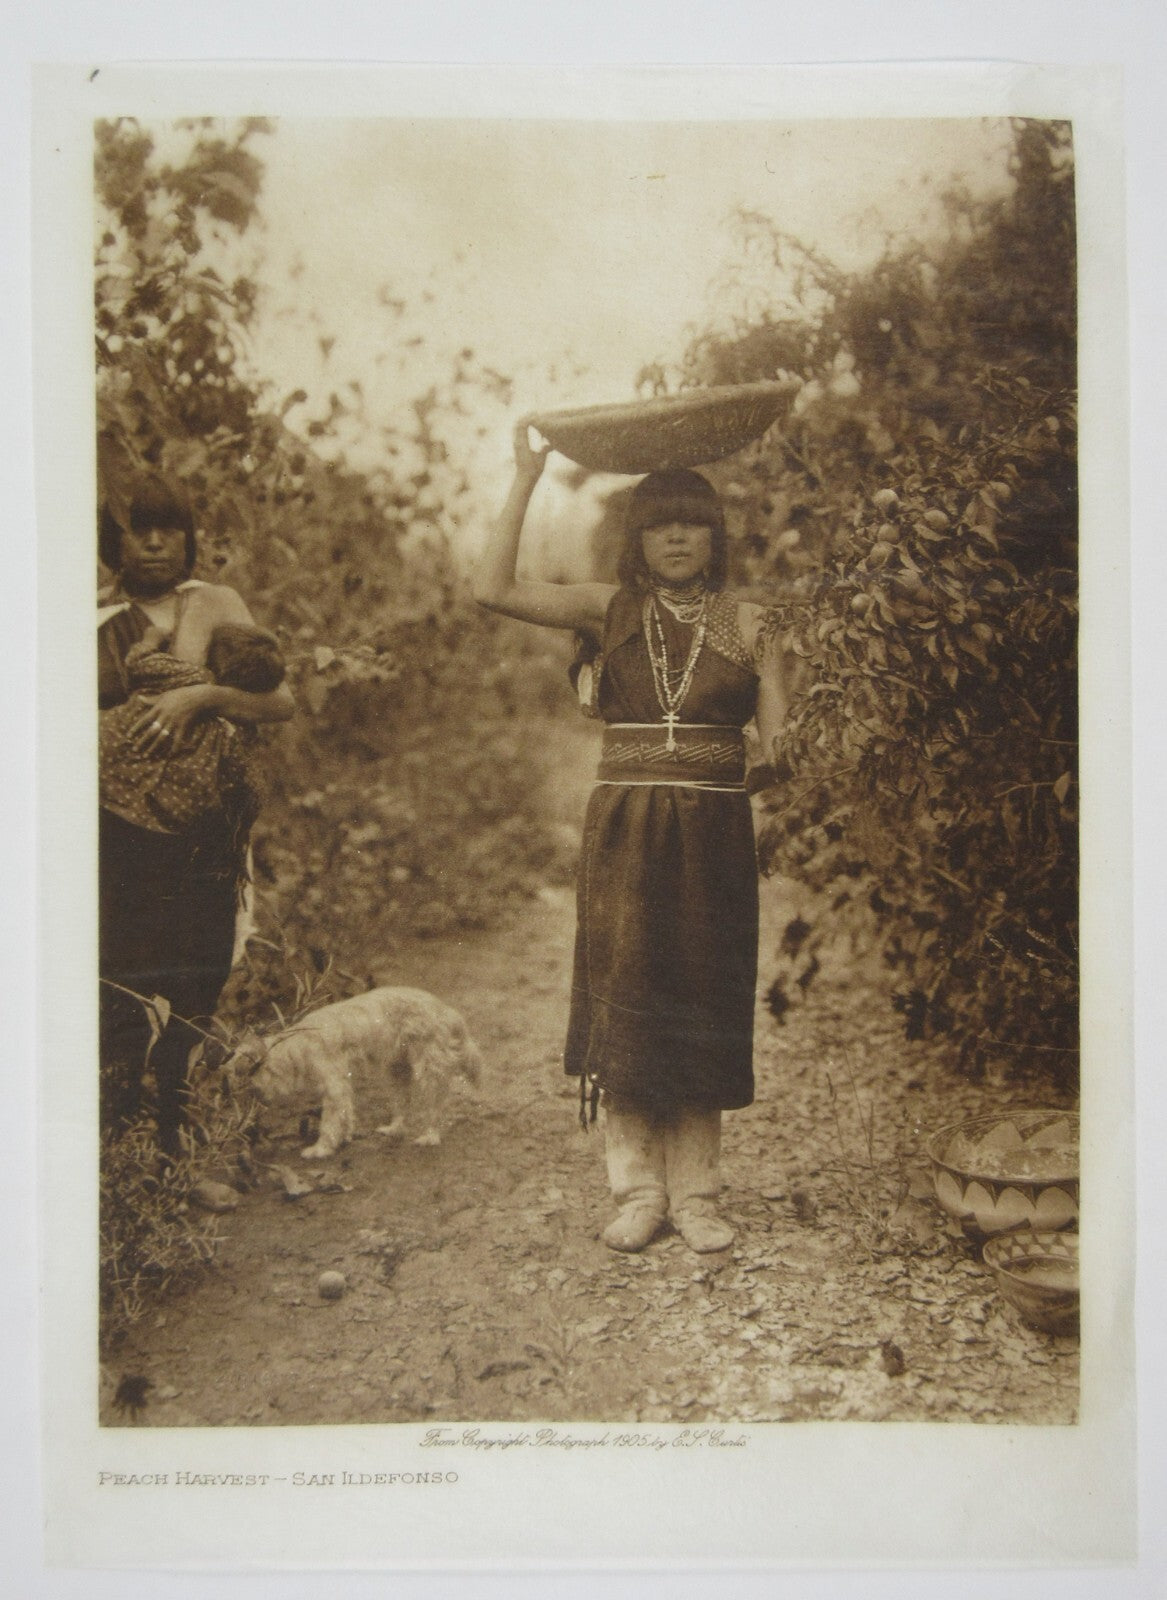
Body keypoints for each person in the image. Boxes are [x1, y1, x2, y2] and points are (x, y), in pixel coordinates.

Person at [475, 421, 788, 1253]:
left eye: (692, 521)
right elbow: (492, 587)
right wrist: (524, 477)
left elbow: (785, 749)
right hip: (623, 825)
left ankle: (698, 1195)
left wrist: (768, 775)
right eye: (659, 522)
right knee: (627, 996)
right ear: (637, 538)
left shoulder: (752, 623)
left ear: (713, 535)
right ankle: (636, 1191)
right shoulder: (606, 610)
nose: (677, 536)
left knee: (703, 999)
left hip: (714, 832)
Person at [97, 478, 295, 1156]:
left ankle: (178, 1136)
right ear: (112, 538)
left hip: (199, 825)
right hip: (113, 825)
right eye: (138, 528)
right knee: (118, 977)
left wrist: (200, 698)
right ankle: (122, 1144)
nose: (154, 542)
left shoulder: (212, 602)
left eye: (168, 529)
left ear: (186, 538)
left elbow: (278, 703)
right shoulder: (91, 611)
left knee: (195, 975)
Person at [100, 620, 285, 845]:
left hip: (111, 779)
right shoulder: (239, 731)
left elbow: (139, 663)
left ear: (211, 655)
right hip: (166, 824)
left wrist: (151, 639)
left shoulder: (188, 676)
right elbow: (240, 784)